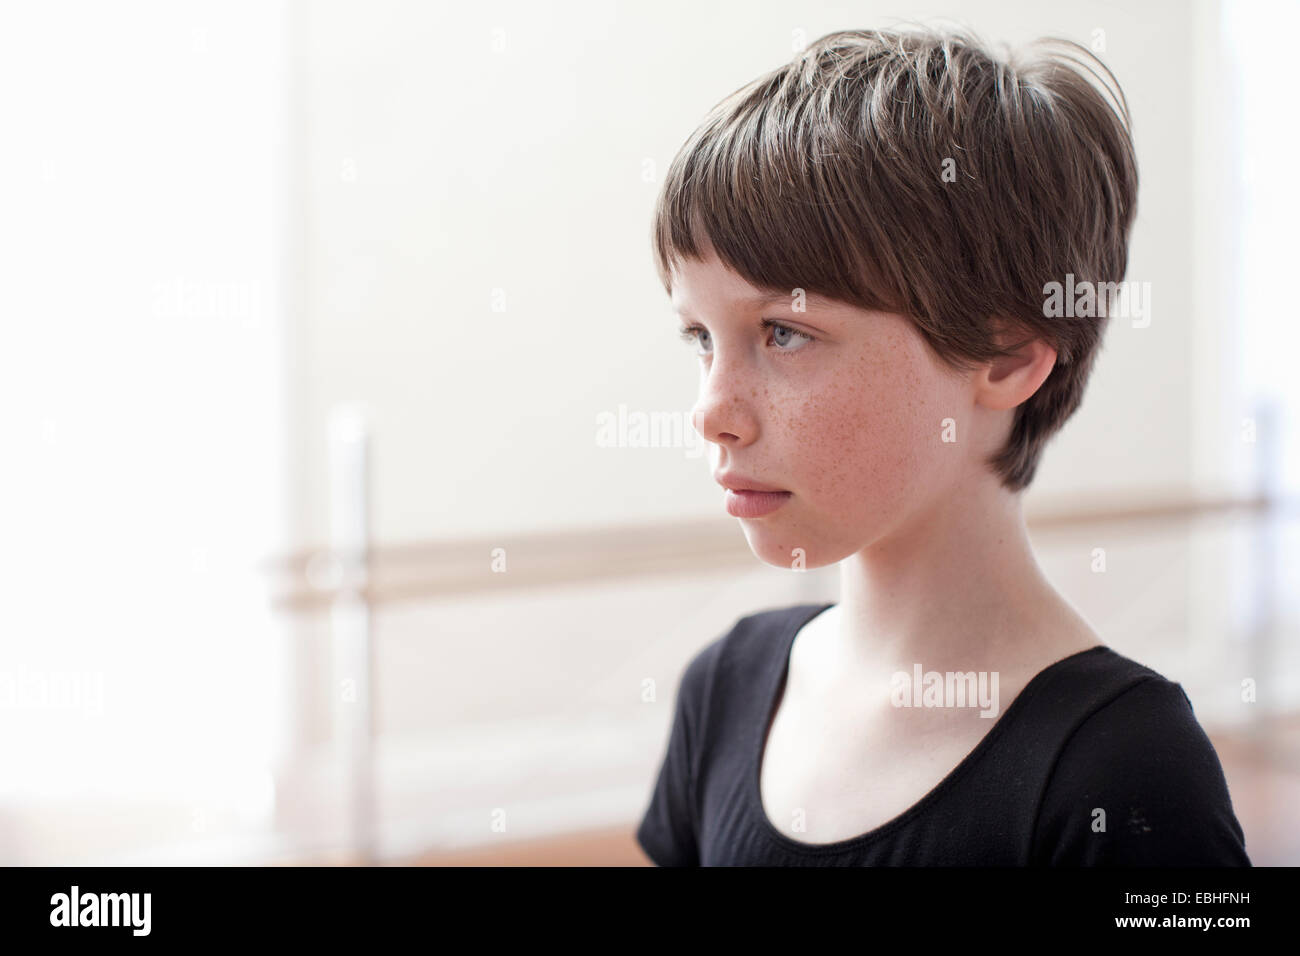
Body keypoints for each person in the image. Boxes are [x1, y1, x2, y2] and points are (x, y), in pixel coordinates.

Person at [635, 26, 1250, 866]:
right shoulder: (728, 687)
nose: (712, 411)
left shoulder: (1127, 773)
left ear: (1005, 355)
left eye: (783, 333)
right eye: (700, 337)